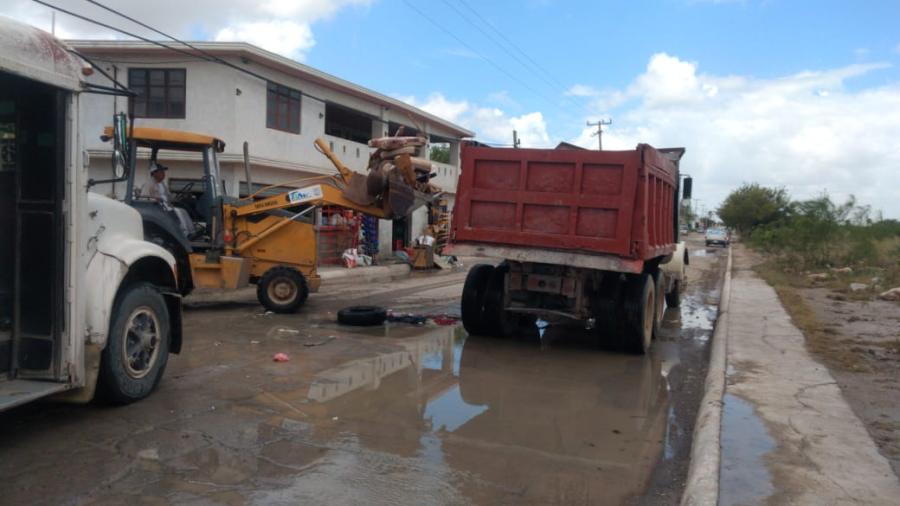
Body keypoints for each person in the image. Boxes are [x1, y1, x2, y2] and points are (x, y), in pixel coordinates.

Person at [140, 161, 194, 237]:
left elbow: (168, 196)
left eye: (163, 172)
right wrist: (156, 199)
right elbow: (144, 197)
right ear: (155, 173)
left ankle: (191, 231)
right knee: (178, 212)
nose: (164, 174)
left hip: (167, 206)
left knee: (183, 211)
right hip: (158, 208)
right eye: (161, 172)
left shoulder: (162, 184)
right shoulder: (149, 184)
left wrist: (177, 196)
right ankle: (184, 233)